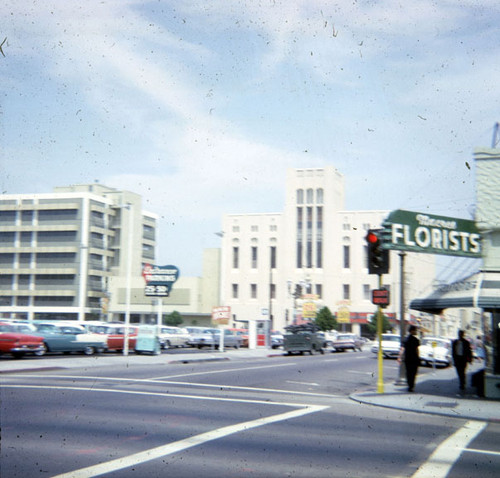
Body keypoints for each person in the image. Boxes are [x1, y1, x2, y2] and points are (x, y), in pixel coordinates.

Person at [398, 325, 420, 392]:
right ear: (412, 331)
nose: (416, 331)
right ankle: (411, 386)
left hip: (407, 359)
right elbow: (417, 350)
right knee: (413, 373)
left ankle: (409, 385)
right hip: (414, 358)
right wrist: (418, 357)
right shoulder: (416, 340)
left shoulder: (405, 339)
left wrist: (399, 357)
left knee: (408, 372)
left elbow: (402, 349)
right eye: (415, 330)